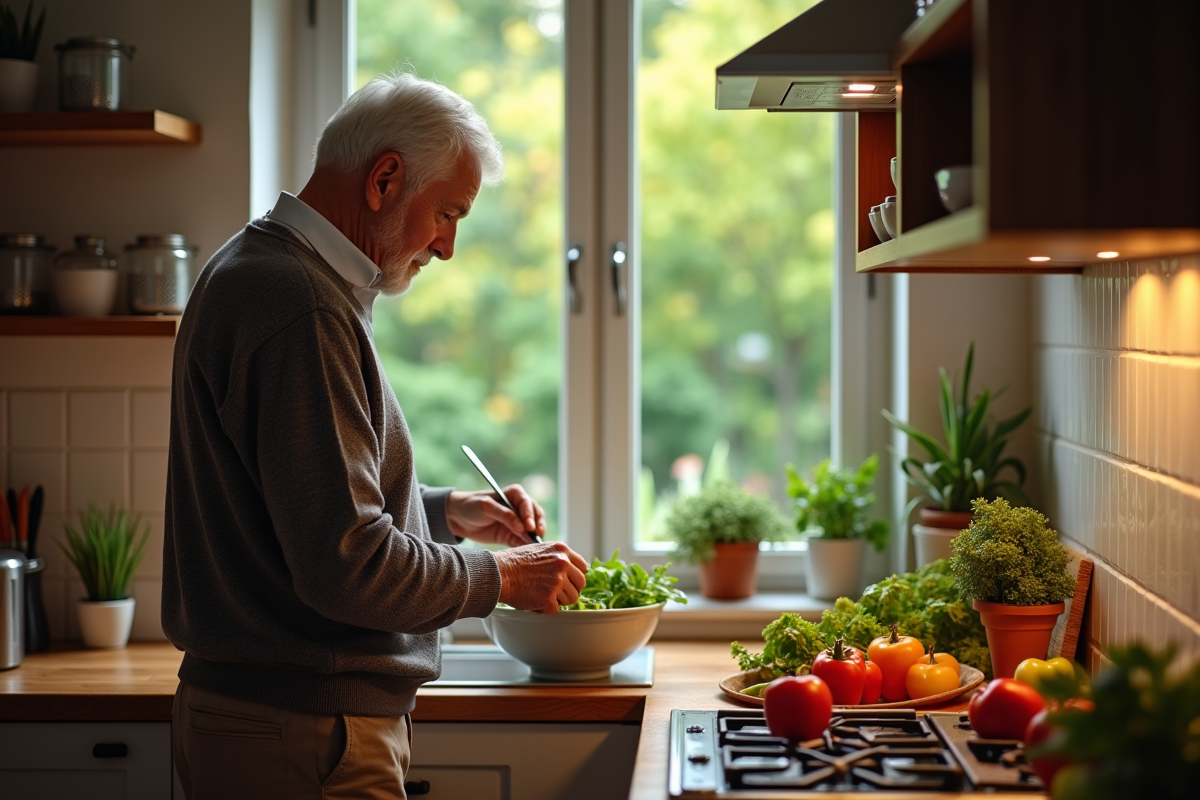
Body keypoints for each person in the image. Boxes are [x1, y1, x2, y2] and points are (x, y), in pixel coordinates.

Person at [163, 73, 589, 800]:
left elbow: (299, 507)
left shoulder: (257, 267)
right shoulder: (302, 305)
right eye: (447, 212)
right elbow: (346, 566)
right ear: (385, 178)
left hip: (276, 724)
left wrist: (443, 512)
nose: (448, 247)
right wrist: (507, 579)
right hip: (302, 734)